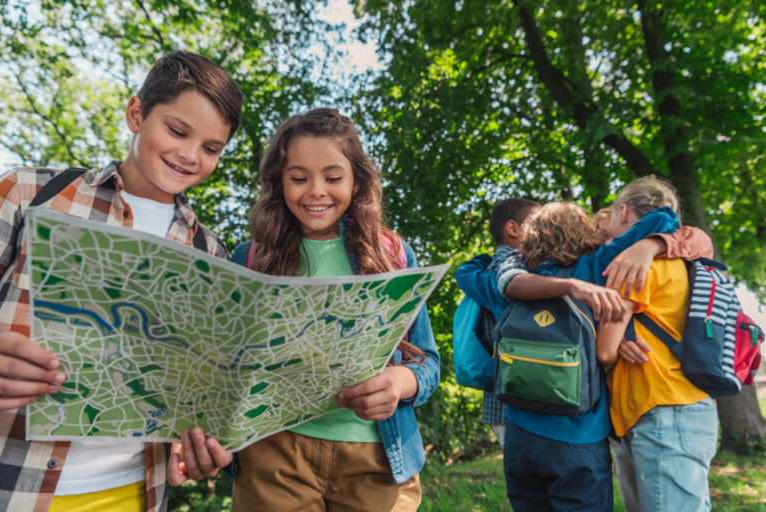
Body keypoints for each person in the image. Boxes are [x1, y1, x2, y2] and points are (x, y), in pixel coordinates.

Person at [0, 51, 243, 512]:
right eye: (176, 130)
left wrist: (193, 444)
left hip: (134, 494)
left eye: (212, 148)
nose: (190, 155)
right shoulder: (28, 195)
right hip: (13, 486)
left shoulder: (210, 255)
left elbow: (193, 391)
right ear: (136, 113)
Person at [228, 107, 439, 511]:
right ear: (279, 182)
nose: (316, 191)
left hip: (378, 457)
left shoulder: (392, 255)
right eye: (299, 178)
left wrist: (398, 383)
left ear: (356, 179)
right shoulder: (250, 257)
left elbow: (428, 364)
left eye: (333, 176)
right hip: (274, 453)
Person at [457, 191, 712, 511]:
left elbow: (465, 271)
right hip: (577, 440)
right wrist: (650, 245)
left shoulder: (503, 286)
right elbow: (662, 217)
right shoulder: (596, 270)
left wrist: (503, 256)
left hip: (520, 439)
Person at [595, 177, 717, 512]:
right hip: (678, 406)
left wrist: (614, 343)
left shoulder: (633, 266)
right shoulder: (685, 263)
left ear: (623, 210)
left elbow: (603, 350)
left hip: (660, 410)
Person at [456, 197, 540, 448]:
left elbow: (465, 271)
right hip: (517, 399)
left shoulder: (482, 270)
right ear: (514, 229)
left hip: (503, 398)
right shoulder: (507, 270)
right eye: (538, 224)